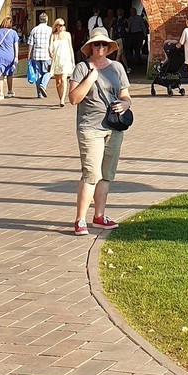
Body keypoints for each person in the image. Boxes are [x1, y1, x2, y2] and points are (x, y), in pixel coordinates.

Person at [69, 28, 131, 235]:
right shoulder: (81, 68)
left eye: (104, 45)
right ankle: (80, 220)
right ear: (90, 47)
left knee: (106, 174)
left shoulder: (117, 68)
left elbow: (126, 95)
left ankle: (99, 216)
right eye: (97, 44)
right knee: (90, 174)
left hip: (113, 127)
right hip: (90, 127)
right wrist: (90, 78)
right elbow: (74, 98)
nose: (101, 48)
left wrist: (125, 105)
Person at [49, 17, 76, 106]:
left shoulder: (67, 35)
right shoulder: (53, 35)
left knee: (64, 79)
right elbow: (50, 47)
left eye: (63, 25)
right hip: (57, 60)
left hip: (65, 59)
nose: (61, 27)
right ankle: (60, 97)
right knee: (58, 82)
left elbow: (70, 48)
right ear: (56, 26)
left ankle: (63, 100)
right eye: (60, 25)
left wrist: (72, 60)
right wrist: (50, 52)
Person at [0, 15, 18, 100]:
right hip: (10, 54)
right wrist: (16, 56)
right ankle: (10, 91)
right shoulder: (13, 33)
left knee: (0, 74)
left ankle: (1, 93)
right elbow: (16, 45)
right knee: (10, 73)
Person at [27, 11, 53, 99]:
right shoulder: (50, 30)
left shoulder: (34, 30)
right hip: (47, 54)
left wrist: (29, 54)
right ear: (47, 20)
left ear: (39, 20)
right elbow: (52, 43)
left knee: (38, 73)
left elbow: (30, 43)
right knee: (48, 72)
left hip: (36, 54)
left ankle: (39, 93)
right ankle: (43, 84)